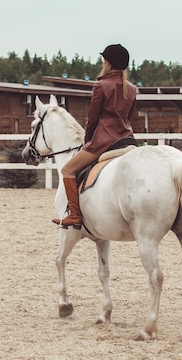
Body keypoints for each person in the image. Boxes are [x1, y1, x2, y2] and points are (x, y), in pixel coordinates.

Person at [52, 44, 137, 227]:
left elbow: (92, 119)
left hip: (104, 141)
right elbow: (128, 118)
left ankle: (74, 215)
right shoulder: (132, 89)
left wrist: (87, 141)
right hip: (127, 140)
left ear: (108, 62)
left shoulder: (101, 85)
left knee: (67, 170)